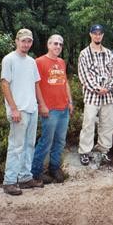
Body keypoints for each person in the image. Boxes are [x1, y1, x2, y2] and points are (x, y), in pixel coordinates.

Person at [1, 28, 45, 196]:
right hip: (18, 110)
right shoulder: (9, 59)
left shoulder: (31, 61)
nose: (26, 44)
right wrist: (13, 108)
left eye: (29, 41)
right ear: (17, 41)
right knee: (16, 146)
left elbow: (36, 84)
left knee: (29, 145)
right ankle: (10, 181)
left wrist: (40, 105)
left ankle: (25, 177)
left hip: (31, 108)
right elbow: (4, 84)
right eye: (23, 40)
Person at [31, 34, 73, 184]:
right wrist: (41, 104)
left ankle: (54, 168)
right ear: (48, 45)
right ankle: (36, 172)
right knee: (46, 141)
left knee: (60, 141)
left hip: (63, 109)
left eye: (60, 44)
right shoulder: (39, 62)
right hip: (50, 109)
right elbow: (36, 85)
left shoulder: (61, 62)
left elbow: (65, 82)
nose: (58, 47)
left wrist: (70, 101)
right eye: (55, 43)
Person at [78, 24, 113, 166]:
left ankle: (103, 150)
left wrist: (107, 88)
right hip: (91, 96)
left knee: (107, 124)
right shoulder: (84, 54)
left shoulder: (108, 53)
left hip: (108, 96)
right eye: (95, 33)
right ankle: (84, 151)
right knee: (88, 123)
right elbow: (84, 76)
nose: (97, 35)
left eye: (100, 33)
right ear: (90, 34)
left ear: (102, 35)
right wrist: (97, 88)